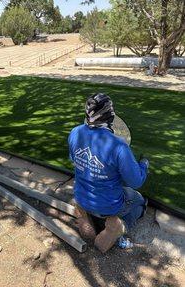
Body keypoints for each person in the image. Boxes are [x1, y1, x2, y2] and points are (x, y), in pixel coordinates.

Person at [68, 93, 149, 253]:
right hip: (107, 205)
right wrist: (144, 165)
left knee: (102, 197)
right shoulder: (119, 146)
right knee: (138, 200)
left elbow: (74, 160)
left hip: (81, 196)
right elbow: (136, 181)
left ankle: (86, 216)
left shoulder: (75, 132)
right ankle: (117, 227)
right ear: (110, 116)